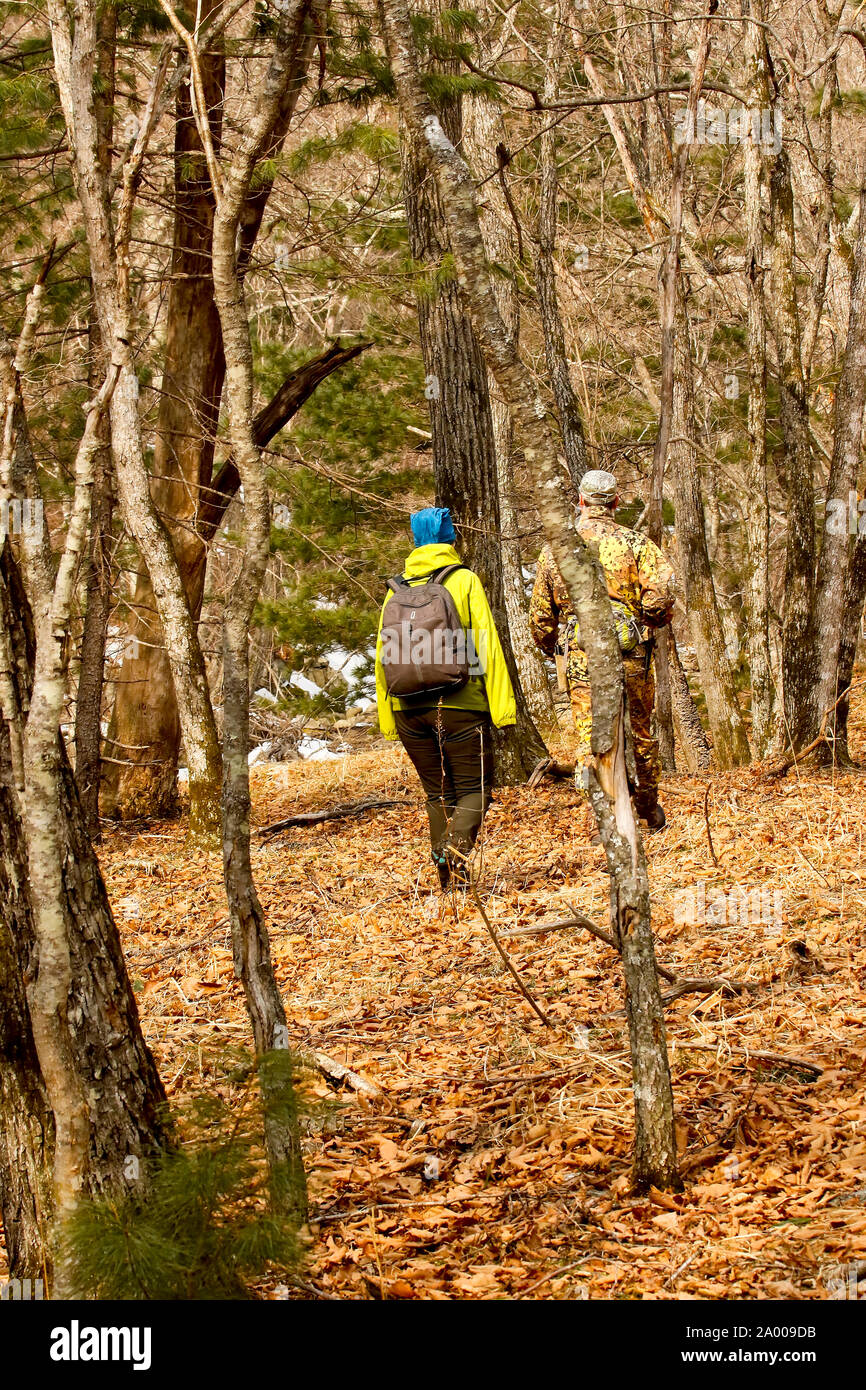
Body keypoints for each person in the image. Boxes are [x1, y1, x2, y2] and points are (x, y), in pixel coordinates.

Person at [375, 507, 516, 889]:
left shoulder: (396, 590)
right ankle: (451, 854)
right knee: (475, 790)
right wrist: (503, 710)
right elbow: (485, 645)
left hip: (407, 709)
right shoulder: (463, 580)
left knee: (439, 793)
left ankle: (449, 880)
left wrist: (388, 719)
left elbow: (382, 657)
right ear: (450, 539)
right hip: (460, 703)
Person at [529, 469, 675, 831]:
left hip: (583, 658)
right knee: (641, 730)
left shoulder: (556, 550)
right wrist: (646, 624)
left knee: (589, 735)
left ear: (580, 501)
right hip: (631, 653)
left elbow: (541, 618)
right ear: (615, 502)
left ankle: (603, 817)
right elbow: (660, 599)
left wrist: (552, 648)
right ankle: (647, 806)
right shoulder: (637, 544)